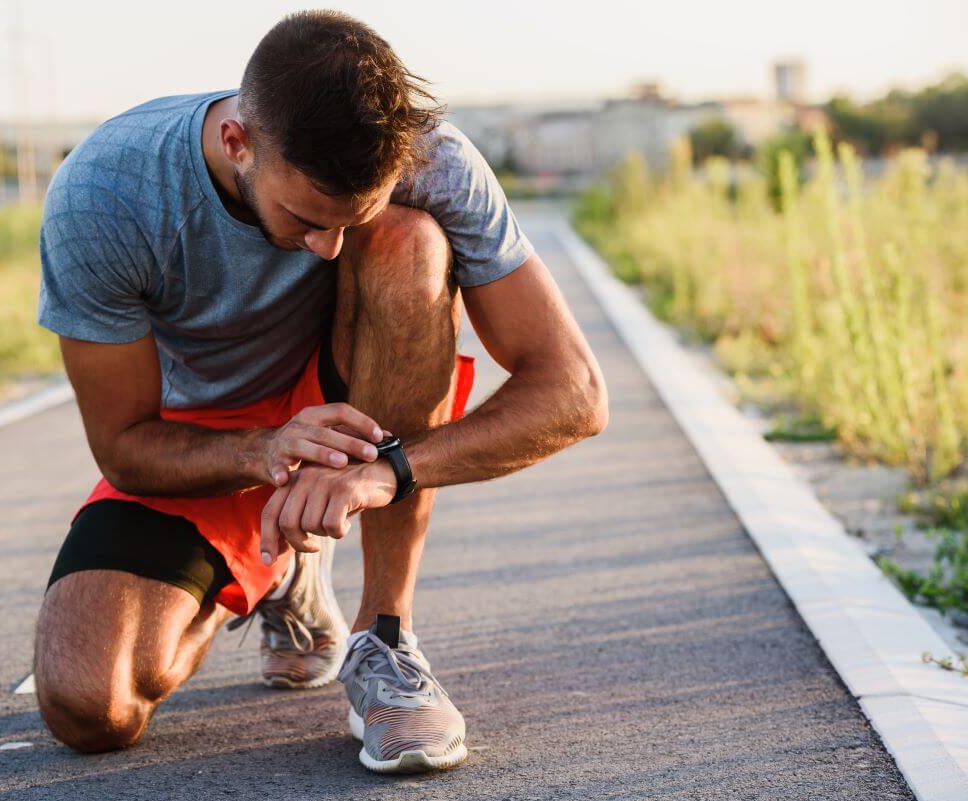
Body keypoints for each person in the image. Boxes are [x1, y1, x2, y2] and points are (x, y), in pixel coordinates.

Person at [32, 8, 607, 775]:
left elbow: (574, 392)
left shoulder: (436, 163)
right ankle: (279, 570)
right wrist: (266, 449)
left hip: (353, 393)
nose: (326, 247)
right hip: (205, 432)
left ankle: (386, 638)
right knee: (89, 707)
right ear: (239, 142)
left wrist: (381, 472)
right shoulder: (103, 193)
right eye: (305, 218)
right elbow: (124, 445)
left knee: (410, 243)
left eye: (347, 219)